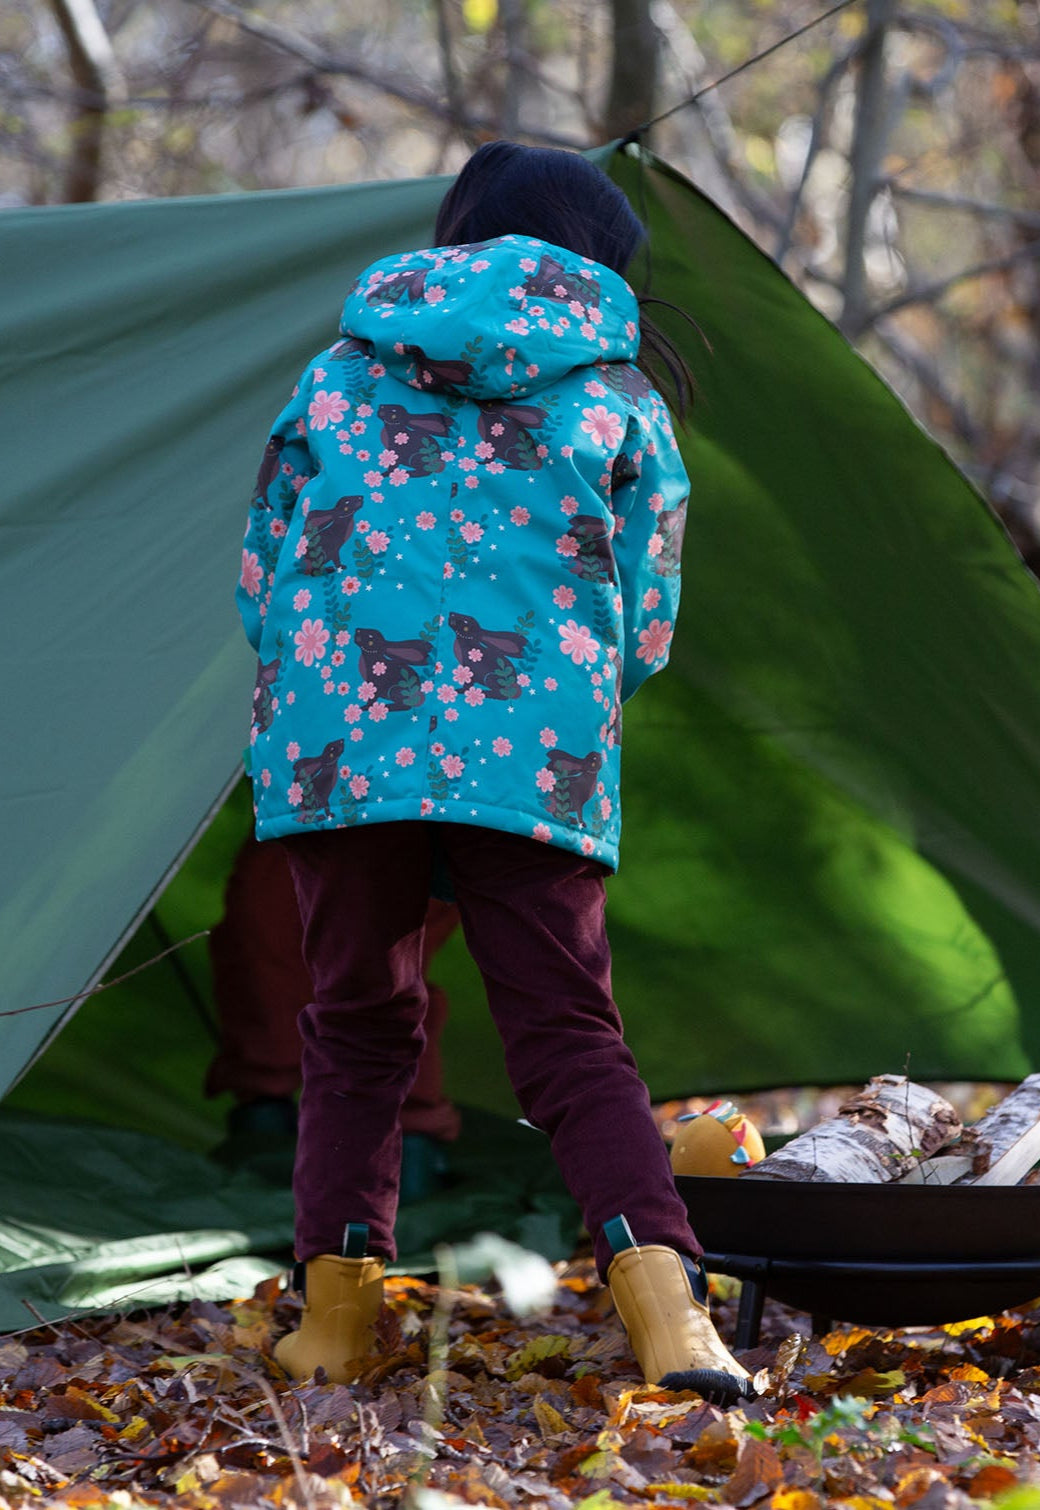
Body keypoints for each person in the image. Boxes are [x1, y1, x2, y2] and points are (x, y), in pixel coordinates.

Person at [235, 140, 751, 1402]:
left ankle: (334, 1327)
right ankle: (674, 1324)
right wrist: (550, 712)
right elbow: (646, 619)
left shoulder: (337, 374)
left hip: (340, 747)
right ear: (601, 262)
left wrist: (330, 690)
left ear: (458, 231)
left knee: (355, 1022)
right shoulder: (618, 395)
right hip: (533, 754)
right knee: (568, 1032)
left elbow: (262, 569)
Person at [205, 826, 461, 1196]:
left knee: (389, 953)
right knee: (263, 921)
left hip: (436, 804)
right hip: (305, 805)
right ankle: (266, 1123)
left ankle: (407, 1153)